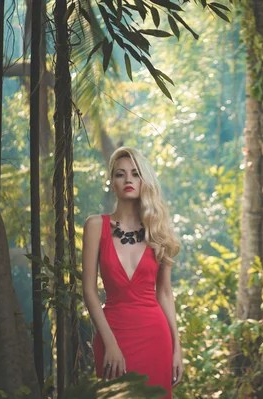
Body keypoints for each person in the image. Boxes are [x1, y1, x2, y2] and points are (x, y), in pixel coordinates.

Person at [81, 146, 182, 398]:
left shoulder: (159, 232)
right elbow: (89, 292)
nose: (128, 180)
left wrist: (177, 348)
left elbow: (165, 294)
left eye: (135, 174)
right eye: (120, 174)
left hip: (156, 338)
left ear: (144, 181)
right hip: (112, 332)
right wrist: (110, 344)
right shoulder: (95, 226)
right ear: (112, 183)